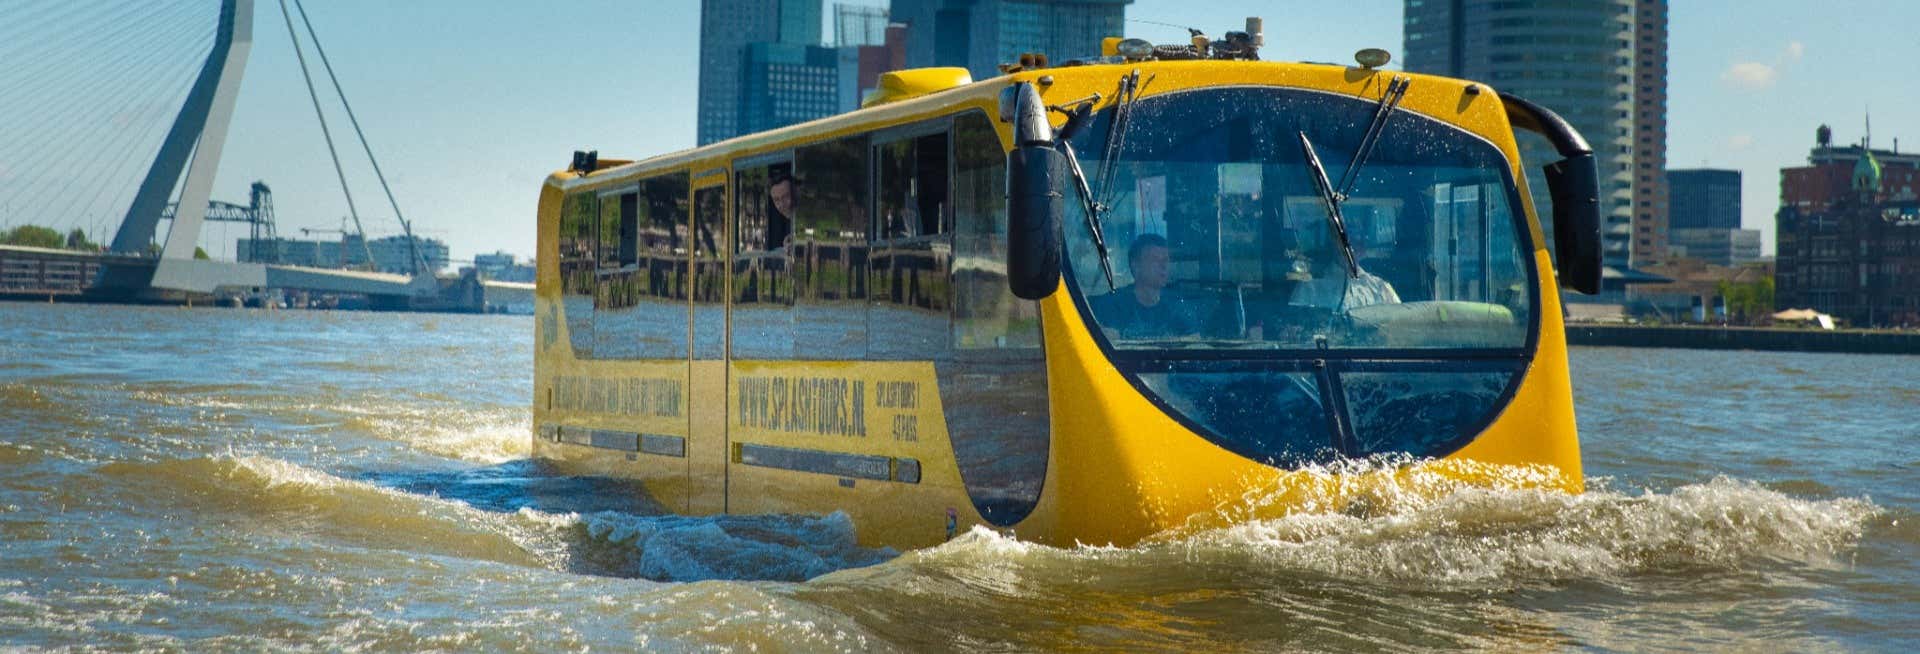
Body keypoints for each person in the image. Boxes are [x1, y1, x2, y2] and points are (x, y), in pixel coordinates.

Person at [1091, 234, 1202, 338]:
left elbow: (1194, 341)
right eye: (1155, 259)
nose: (1163, 266)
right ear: (1136, 266)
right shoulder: (1112, 306)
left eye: (1166, 260)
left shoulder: (1178, 308)